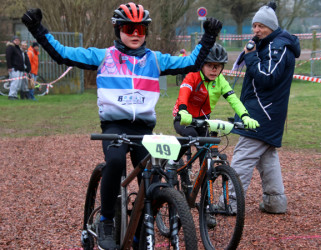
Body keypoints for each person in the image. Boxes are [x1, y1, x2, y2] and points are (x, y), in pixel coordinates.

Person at [22, 3, 222, 249]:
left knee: (155, 182)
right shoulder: (104, 56)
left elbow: (191, 63)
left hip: (144, 130)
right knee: (115, 162)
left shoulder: (155, 59)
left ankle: (139, 234)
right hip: (114, 126)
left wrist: (209, 36)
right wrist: (36, 28)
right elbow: (62, 53)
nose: (136, 34)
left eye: (141, 29)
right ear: (118, 30)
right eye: (129, 28)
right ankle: (106, 220)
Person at [229, 2, 300, 214]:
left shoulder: (277, 47)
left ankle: (230, 203)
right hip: (266, 111)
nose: (257, 30)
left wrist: (250, 56)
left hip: (263, 112)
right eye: (254, 26)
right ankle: (275, 202)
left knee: (243, 156)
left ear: (272, 26)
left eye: (261, 26)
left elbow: (267, 77)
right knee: (266, 155)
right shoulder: (268, 44)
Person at [172, 43, 259, 139]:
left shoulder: (220, 81)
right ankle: (176, 154)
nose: (214, 70)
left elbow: (233, 99)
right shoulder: (193, 75)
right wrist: (183, 110)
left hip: (203, 119)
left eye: (218, 66)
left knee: (206, 146)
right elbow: (184, 93)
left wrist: (245, 116)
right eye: (210, 65)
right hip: (183, 116)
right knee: (192, 136)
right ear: (201, 64)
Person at [5, 36, 30, 100]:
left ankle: (15, 95)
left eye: (18, 40)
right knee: (15, 82)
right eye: (16, 40)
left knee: (18, 84)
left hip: (19, 69)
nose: (17, 41)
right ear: (13, 41)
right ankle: (11, 95)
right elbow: (8, 57)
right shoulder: (10, 47)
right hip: (14, 68)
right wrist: (9, 66)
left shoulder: (17, 48)